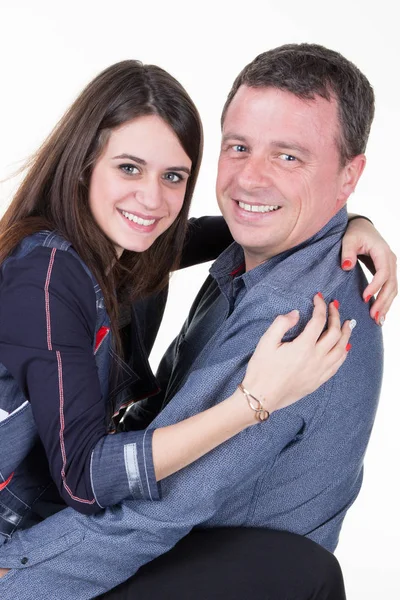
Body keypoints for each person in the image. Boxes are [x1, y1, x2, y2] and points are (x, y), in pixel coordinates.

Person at [0, 45, 395, 599]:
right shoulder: (65, 267)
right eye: (239, 147)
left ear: (349, 174)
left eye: (288, 157)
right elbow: (89, 476)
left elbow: (155, 509)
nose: (249, 181)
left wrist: (17, 582)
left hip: (192, 557)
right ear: (84, 164)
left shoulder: (298, 322)